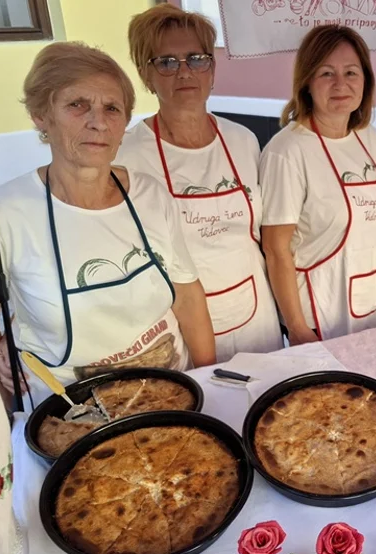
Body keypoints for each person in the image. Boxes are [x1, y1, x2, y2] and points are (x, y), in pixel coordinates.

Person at [0, 42, 215, 410]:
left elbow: (188, 297)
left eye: (112, 108)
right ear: (40, 115)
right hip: (67, 412)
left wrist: (208, 380)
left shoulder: (149, 194)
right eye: (77, 105)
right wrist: (2, 422)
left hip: (170, 394)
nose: (98, 122)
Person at [116, 5, 283, 361]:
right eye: (166, 62)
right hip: (183, 320)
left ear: (212, 69)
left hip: (258, 315)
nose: (184, 72)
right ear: (146, 76)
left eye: (196, 58)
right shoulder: (127, 154)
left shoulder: (243, 140)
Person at [260, 25, 376, 344]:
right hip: (321, 316)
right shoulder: (287, 151)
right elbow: (277, 250)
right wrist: (298, 328)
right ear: (306, 82)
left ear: (366, 81)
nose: (340, 85)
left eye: (351, 72)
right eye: (326, 74)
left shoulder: (369, 138)